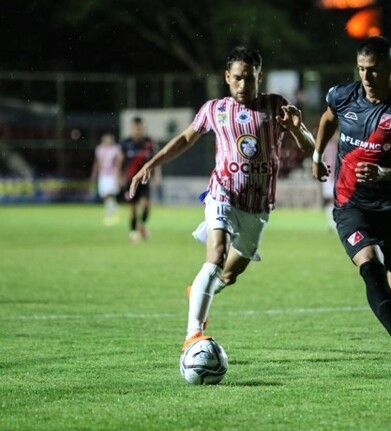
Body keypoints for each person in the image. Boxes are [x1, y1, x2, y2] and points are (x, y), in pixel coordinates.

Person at [128, 46, 315, 352]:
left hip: (258, 207)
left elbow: (308, 146)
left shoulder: (276, 106)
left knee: (229, 273)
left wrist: (296, 129)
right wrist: (153, 162)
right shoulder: (214, 109)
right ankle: (193, 335)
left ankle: (201, 290)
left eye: (250, 79)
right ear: (227, 77)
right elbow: (186, 138)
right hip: (222, 194)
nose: (243, 86)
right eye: (238, 78)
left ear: (260, 77)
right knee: (215, 257)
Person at [311, 36, 391, 375]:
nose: (366, 77)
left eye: (373, 70)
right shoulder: (342, 95)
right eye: (361, 69)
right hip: (351, 205)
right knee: (370, 269)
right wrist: (318, 155)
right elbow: (328, 119)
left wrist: (383, 173)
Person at [120, 116, 161, 243]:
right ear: (132, 128)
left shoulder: (149, 142)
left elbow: (155, 160)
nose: (138, 130)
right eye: (136, 127)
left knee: (146, 206)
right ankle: (133, 233)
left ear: (143, 128)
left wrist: (157, 175)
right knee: (132, 209)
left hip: (144, 180)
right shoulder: (125, 142)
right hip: (130, 181)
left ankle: (141, 225)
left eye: (140, 127)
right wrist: (119, 176)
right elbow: (120, 161)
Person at [90, 133, 123, 225]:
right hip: (103, 174)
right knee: (105, 195)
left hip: (112, 174)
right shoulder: (99, 149)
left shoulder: (116, 149)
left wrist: (119, 176)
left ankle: (108, 214)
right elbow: (98, 162)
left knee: (109, 194)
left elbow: (118, 163)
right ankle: (116, 209)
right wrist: (95, 173)